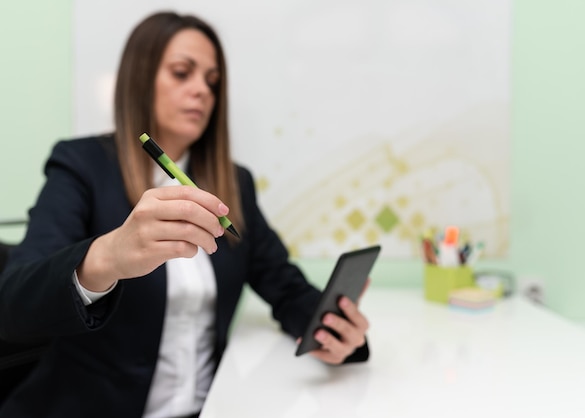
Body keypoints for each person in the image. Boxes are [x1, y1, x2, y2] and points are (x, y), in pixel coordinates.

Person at [0, 11, 370, 418]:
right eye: (182, 73)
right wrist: (108, 256)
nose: (202, 91)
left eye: (212, 81)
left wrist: (333, 330)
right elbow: (14, 302)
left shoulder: (234, 183)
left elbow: (283, 285)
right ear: (140, 79)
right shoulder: (81, 165)